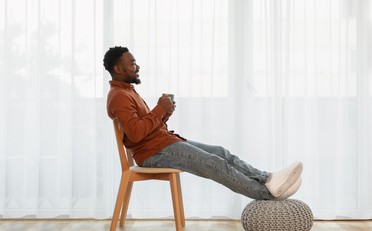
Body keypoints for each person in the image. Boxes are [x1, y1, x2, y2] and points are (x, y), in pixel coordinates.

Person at [103, 46, 303, 201]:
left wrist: (164, 115)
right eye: (132, 63)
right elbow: (136, 134)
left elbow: (142, 127)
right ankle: (269, 194)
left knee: (221, 152)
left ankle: (268, 179)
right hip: (153, 154)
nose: (137, 67)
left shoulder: (127, 91)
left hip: (163, 143)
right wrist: (159, 109)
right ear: (118, 69)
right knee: (214, 164)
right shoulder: (119, 96)